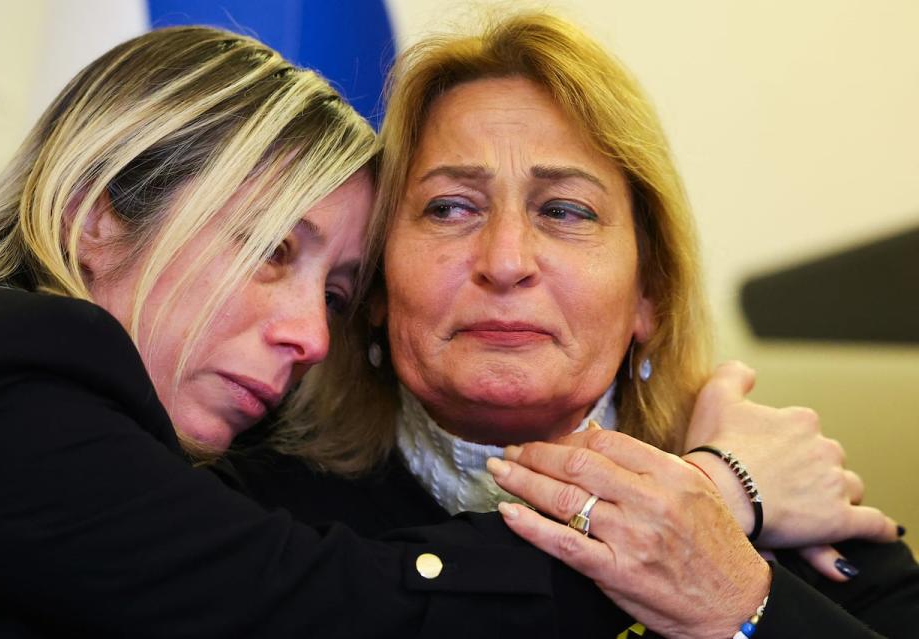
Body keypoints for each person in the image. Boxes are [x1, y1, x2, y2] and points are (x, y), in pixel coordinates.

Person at [0, 25, 683, 638]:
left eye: (337, 295)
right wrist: (700, 504)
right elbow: (314, 601)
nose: (312, 338)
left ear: (652, 289)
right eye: (272, 251)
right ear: (97, 219)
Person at [224, 11, 919, 638]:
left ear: (650, 291)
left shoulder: (797, 510)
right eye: (450, 208)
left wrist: (738, 599)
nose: (504, 261)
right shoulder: (247, 507)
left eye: (565, 211)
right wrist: (715, 489)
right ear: (374, 284)